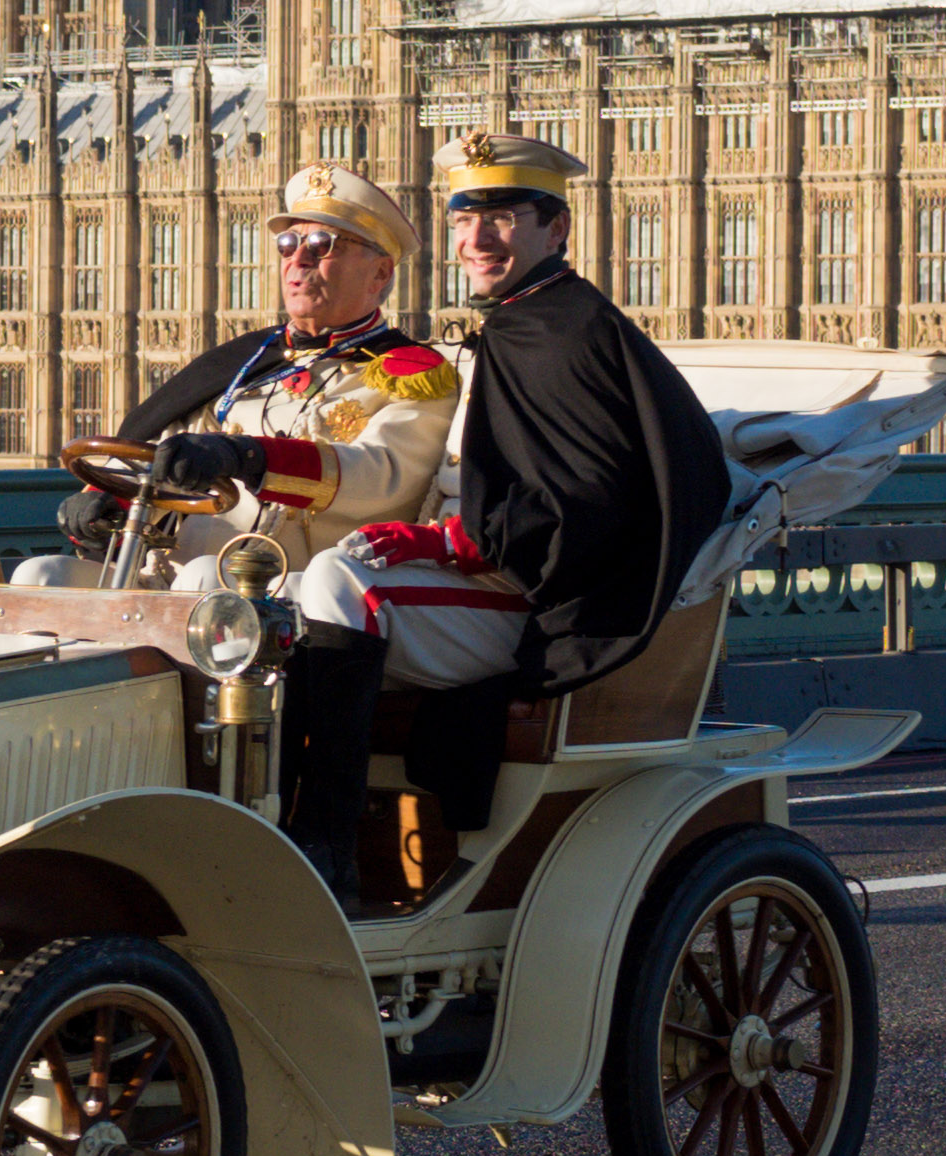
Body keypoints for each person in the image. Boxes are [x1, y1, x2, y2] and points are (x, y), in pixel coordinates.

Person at [266, 131, 732, 907]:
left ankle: (326, 846)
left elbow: (586, 498)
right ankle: (274, 814)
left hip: (537, 601)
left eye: (503, 216)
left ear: (557, 230)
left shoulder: (568, 330)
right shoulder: (519, 321)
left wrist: (450, 538)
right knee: (265, 610)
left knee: (339, 587)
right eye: (462, 218)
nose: (476, 237)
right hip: (488, 577)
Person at [48, 161, 457, 582]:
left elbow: (380, 474)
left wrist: (250, 457)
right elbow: (164, 447)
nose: (298, 259)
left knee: (205, 578)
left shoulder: (412, 374)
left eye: (322, 244)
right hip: (177, 575)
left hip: (297, 592)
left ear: (381, 272)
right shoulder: (246, 361)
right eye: (287, 243)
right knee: (43, 576)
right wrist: (105, 498)